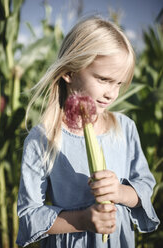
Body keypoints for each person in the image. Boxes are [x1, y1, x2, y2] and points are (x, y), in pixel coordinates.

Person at [16, 16, 160, 248]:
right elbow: (29, 216)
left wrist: (120, 192)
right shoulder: (42, 138)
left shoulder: (125, 128)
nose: (111, 94)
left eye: (119, 84)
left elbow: (144, 186)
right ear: (69, 72)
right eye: (103, 79)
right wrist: (83, 220)